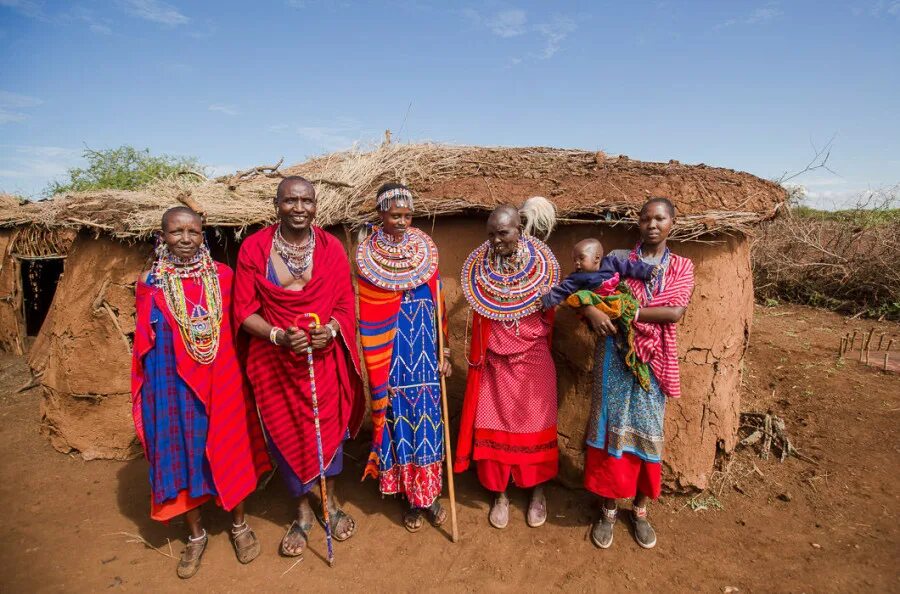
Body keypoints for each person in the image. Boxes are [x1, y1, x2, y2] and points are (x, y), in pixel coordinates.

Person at [132, 206, 271, 579]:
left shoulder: (223, 277)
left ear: (202, 235)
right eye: (176, 232)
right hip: (172, 386)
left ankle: (239, 525)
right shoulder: (150, 282)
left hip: (222, 380)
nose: (185, 239)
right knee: (182, 454)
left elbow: (239, 328)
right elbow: (144, 342)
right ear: (162, 236)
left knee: (229, 446)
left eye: (193, 231)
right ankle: (196, 534)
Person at [234, 176, 365, 558]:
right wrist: (277, 336)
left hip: (323, 361)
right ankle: (303, 512)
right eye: (290, 200)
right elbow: (243, 311)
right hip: (275, 363)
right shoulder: (254, 248)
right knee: (285, 434)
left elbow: (345, 303)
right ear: (276, 205)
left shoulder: (330, 248)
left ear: (315, 206)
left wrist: (332, 330)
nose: (299, 208)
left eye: (307, 200)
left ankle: (330, 503)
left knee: (330, 433)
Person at [579, 197, 695, 550]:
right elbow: (588, 289)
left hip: (653, 361)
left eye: (659, 218)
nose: (652, 225)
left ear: (672, 223)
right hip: (614, 357)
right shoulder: (618, 259)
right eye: (645, 218)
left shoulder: (681, 267)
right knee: (611, 427)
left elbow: (673, 312)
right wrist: (592, 310)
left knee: (648, 431)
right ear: (638, 223)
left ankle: (640, 510)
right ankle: (609, 509)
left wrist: (623, 311)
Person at [454, 196, 562, 529]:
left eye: (503, 233)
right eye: (491, 235)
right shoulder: (480, 273)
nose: (496, 241)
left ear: (520, 230)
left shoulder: (541, 270)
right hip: (495, 364)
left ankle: (537, 491)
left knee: (535, 424)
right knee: (493, 424)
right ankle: (499, 494)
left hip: (533, 360)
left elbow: (551, 312)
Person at [357, 183, 453, 532]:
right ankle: (410, 498)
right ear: (380, 214)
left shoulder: (426, 254)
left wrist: (445, 352)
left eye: (407, 215)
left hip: (426, 359)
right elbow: (370, 321)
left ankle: (429, 495)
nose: (401, 221)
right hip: (393, 362)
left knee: (428, 422)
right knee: (399, 423)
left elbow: (439, 307)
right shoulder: (367, 260)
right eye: (395, 215)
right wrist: (378, 369)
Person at [541, 237, 659, 310]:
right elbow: (563, 289)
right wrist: (546, 300)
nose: (577, 263)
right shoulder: (576, 277)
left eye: (581, 258)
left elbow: (628, 266)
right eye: (574, 260)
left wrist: (647, 270)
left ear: (597, 258)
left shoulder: (610, 262)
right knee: (582, 295)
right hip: (595, 305)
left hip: (615, 299)